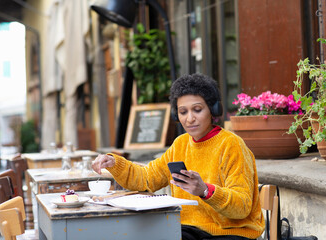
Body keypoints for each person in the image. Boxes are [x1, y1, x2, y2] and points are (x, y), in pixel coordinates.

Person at [92, 73, 265, 240]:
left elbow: (241, 207)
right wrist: (114, 162)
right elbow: (146, 179)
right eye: (183, 112)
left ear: (213, 110)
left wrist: (205, 190)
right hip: (189, 230)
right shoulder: (180, 144)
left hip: (231, 232)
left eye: (197, 110)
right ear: (176, 115)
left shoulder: (232, 144)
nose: (190, 118)